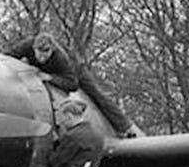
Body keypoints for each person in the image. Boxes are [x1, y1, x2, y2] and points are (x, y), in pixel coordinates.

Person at [7, 31, 139, 137]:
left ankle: (125, 126)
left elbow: (72, 84)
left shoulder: (61, 58)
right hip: (48, 71)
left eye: (45, 54)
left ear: (51, 50)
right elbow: (7, 56)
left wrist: (50, 78)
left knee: (97, 95)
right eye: (39, 54)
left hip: (75, 71)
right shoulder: (26, 45)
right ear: (33, 48)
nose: (41, 58)